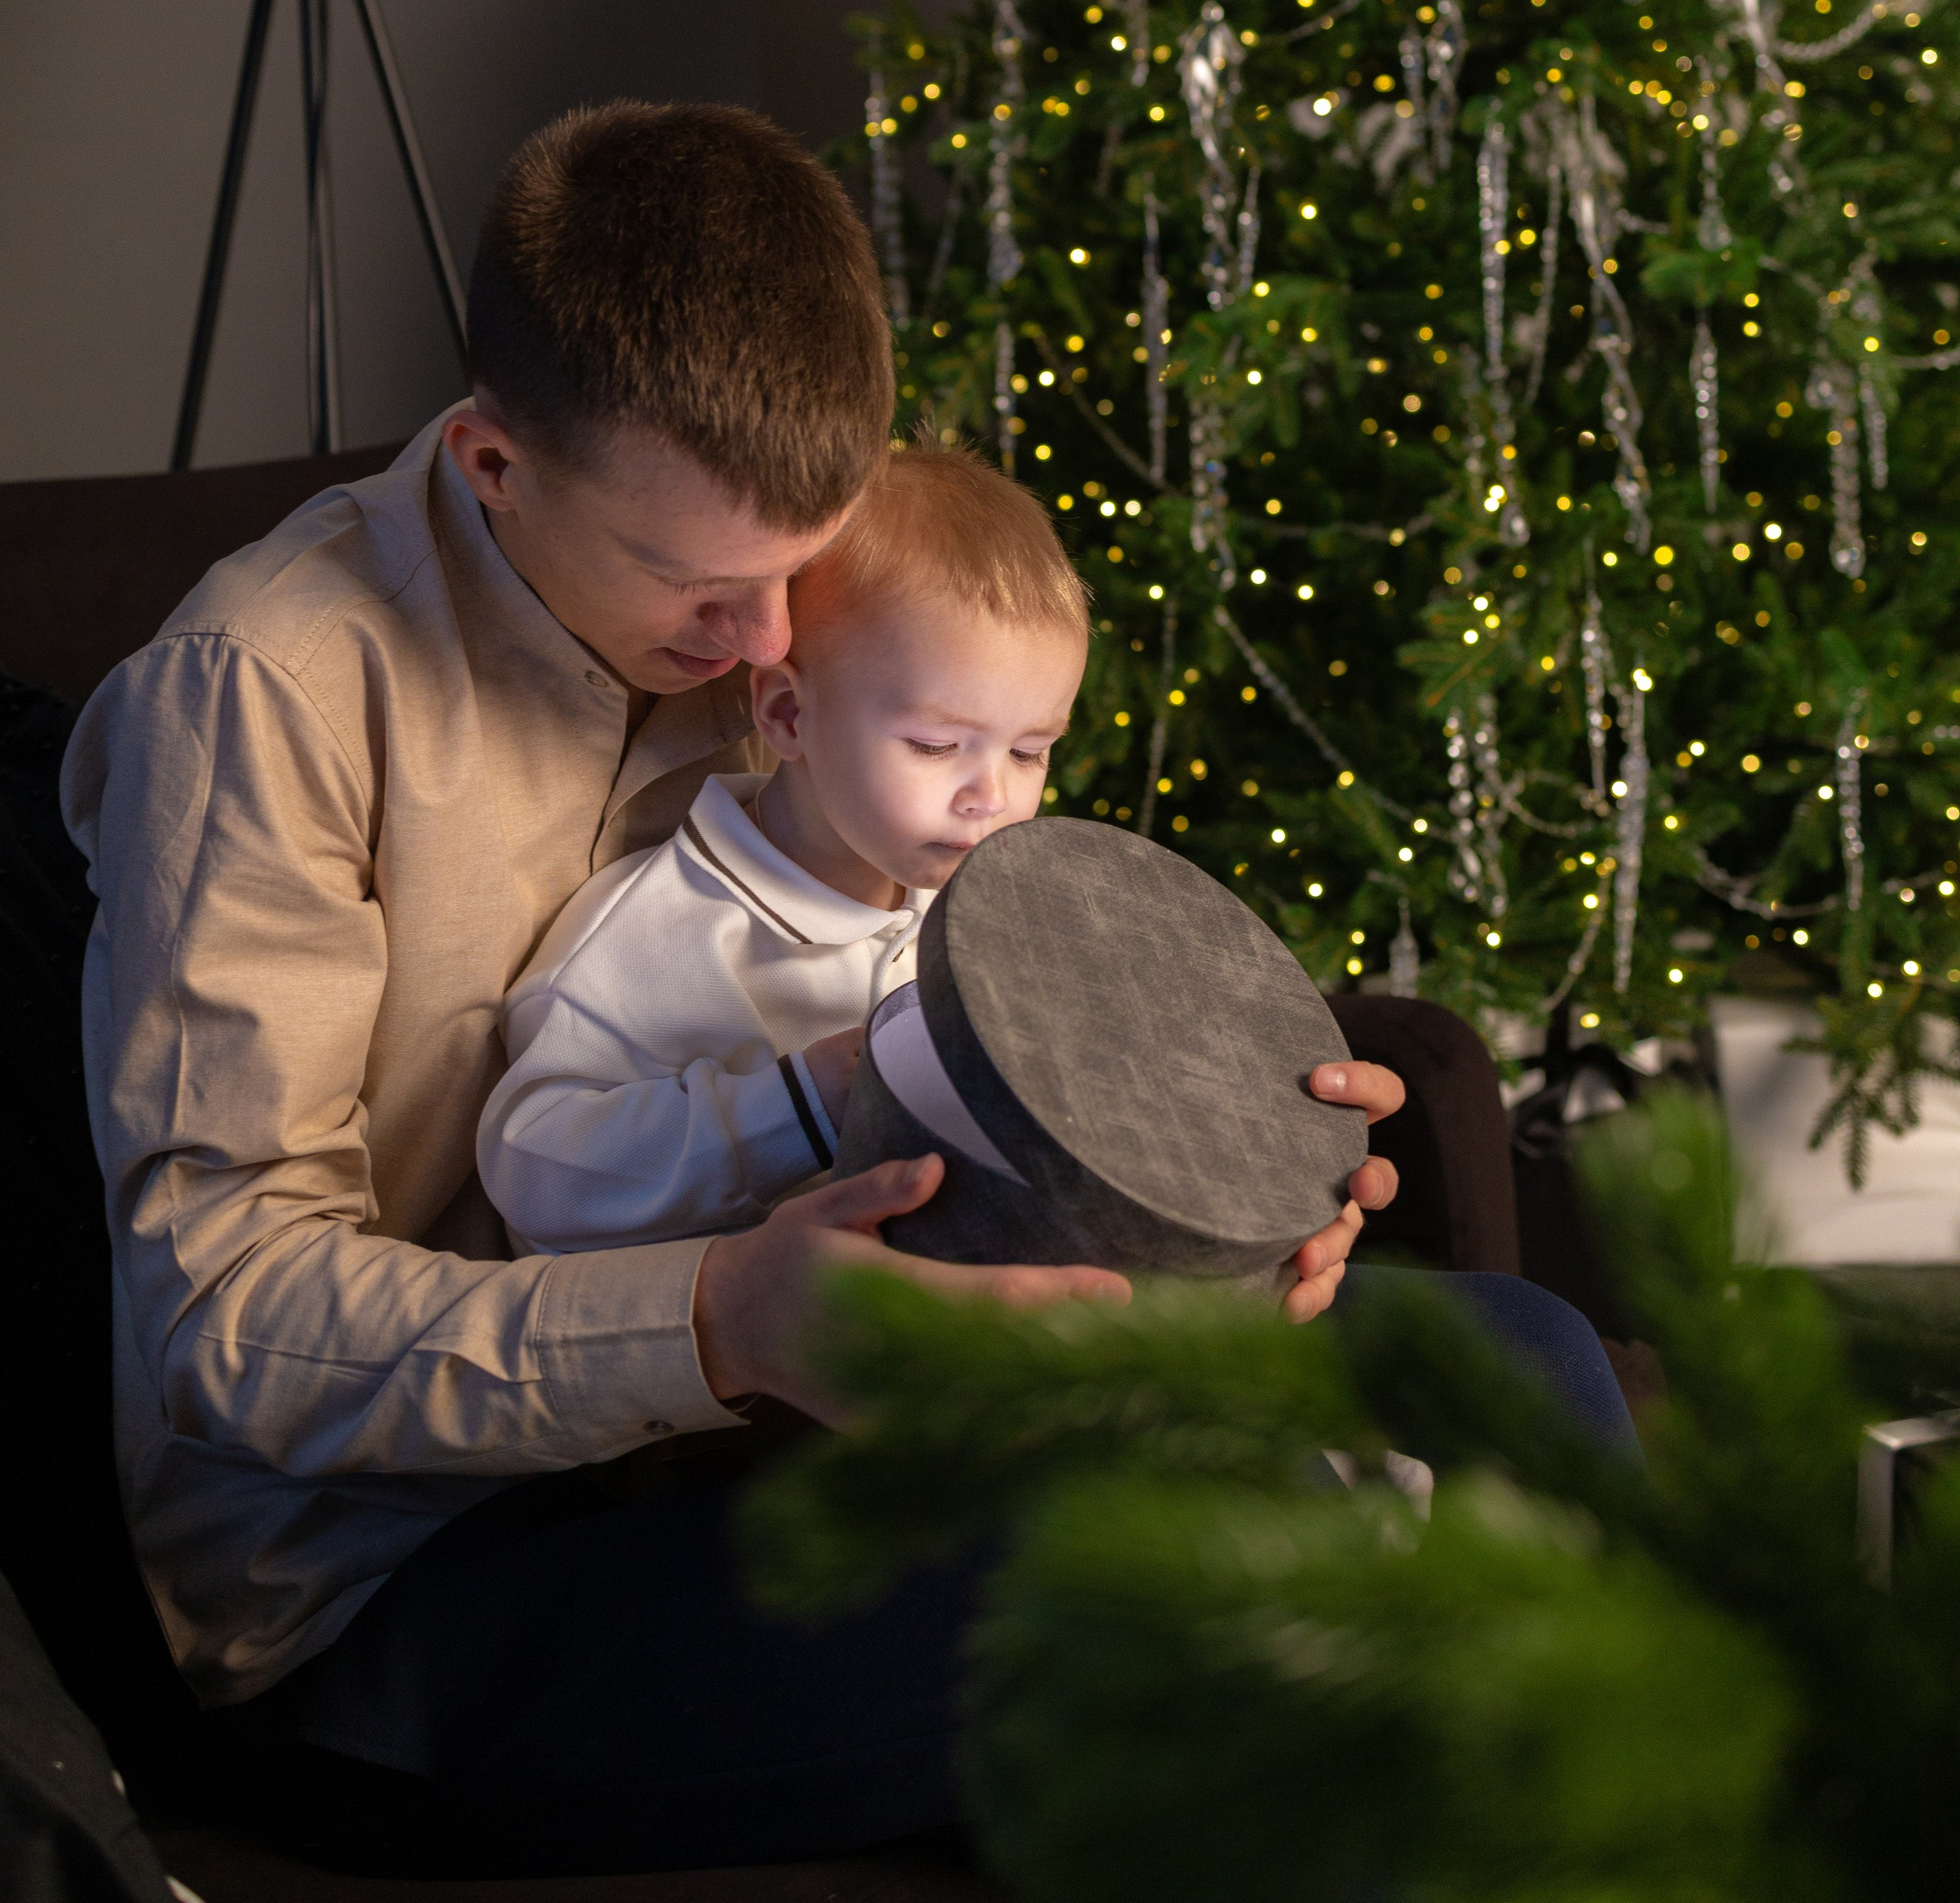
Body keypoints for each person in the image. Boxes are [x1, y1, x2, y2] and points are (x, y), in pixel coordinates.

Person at [66, 100, 1413, 1872]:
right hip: (408, 1578)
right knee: (1191, 1575)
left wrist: (1219, 1179)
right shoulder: (263, 694)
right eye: (701, 587)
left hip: (810, 1435)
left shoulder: (784, 581)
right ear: (494, 465)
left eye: (795, 569)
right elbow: (225, 1324)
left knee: (1501, 1369)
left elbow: (983, 928)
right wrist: (724, 1322)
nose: (768, 647)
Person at [479, 443, 1089, 1256]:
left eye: (1029, 752)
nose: (992, 796)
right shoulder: (660, 932)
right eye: (937, 745)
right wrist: (805, 1100)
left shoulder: (974, 920)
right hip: (697, 1332)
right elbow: (534, 1176)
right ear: (788, 717)